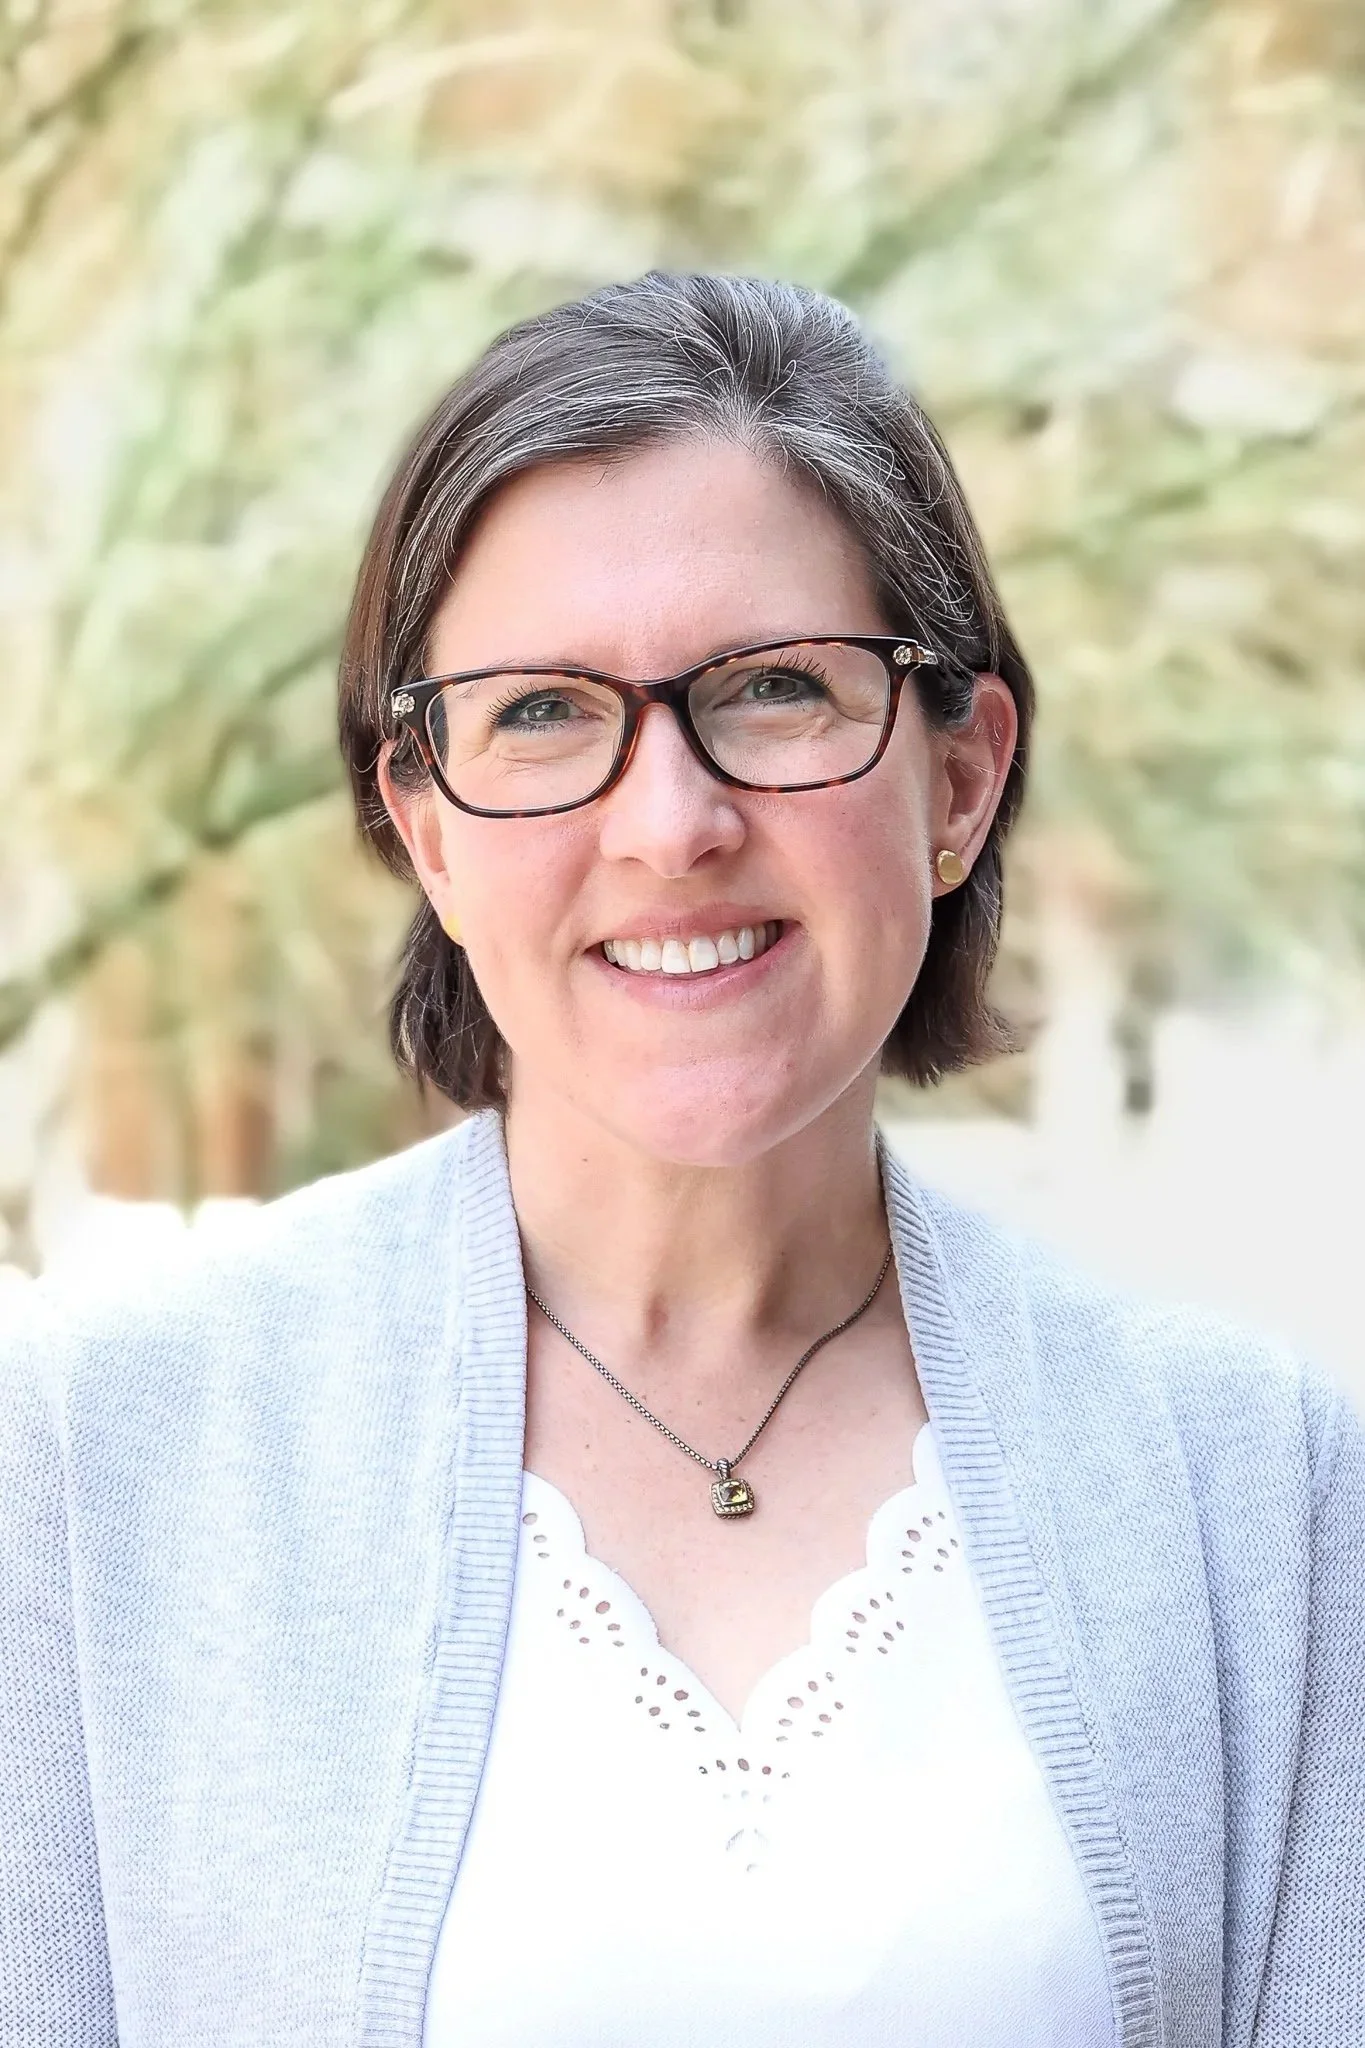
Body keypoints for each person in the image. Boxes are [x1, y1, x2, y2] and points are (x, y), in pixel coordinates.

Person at [2, 272, 1361, 2048]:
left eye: (777, 689)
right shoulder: (97, 1460)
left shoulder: (1264, 1494)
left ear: (958, 782)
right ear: (424, 826)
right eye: (543, 714)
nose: (673, 825)